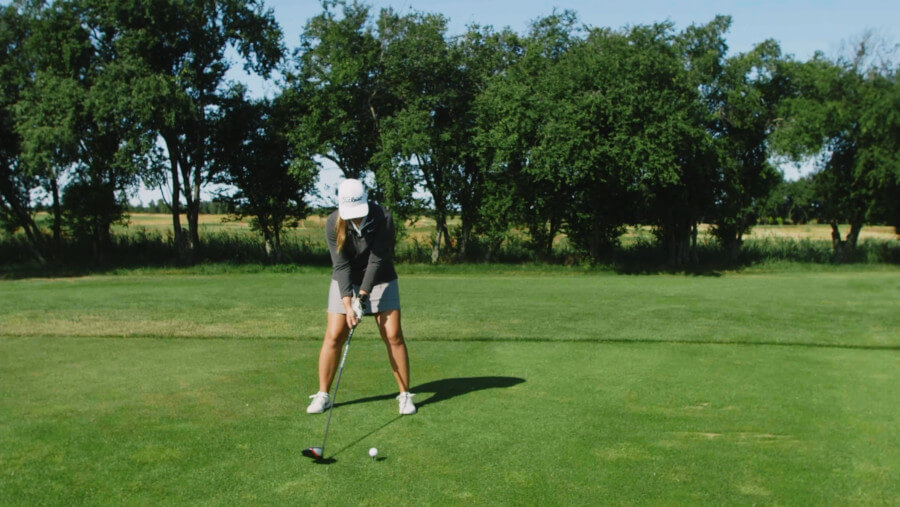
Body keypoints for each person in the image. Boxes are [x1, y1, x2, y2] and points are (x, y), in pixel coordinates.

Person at [307, 178, 416, 415]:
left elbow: (377, 260)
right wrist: (348, 302)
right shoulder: (334, 222)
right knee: (335, 334)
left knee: (393, 334)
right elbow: (341, 266)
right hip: (346, 279)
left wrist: (362, 297)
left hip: (382, 278)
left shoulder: (383, 217)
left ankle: (405, 395)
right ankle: (323, 395)